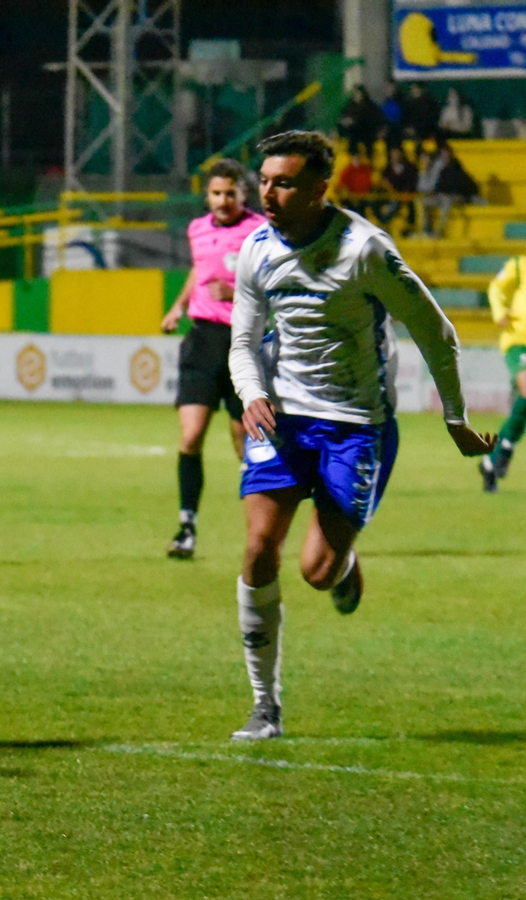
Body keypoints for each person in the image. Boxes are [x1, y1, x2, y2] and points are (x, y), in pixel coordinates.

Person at [225, 130, 492, 741]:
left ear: (321, 188)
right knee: (258, 548)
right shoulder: (255, 249)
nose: (267, 192)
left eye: (284, 182)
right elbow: (243, 340)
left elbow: (435, 330)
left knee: (316, 570)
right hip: (282, 418)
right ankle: (265, 705)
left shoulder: (365, 249)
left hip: (356, 427)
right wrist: (253, 394)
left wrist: (454, 418)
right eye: (264, 180)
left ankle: (342, 568)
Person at [160, 159, 265, 560]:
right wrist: (178, 306)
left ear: (244, 194)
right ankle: (187, 527)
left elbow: (272, 287)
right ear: (207, 195)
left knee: (246, 444)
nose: (223, 201)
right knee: (190, 437)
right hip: (202, 340)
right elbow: (199, 269)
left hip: (243, 344)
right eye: (216, 193)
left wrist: (236, 294)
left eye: (230, 193)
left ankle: (258, 531)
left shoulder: (259, 232)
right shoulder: (197, 229)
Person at [480, 253, 526, 492]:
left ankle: (491, 460)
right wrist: (499, 313)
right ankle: (505, 448)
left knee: (524, 405)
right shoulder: (519, 266)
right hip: (518, 341)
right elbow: (496, 287)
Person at [422, 145, 478, 236]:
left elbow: (461, 184)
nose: (445, 157)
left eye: (446, 154)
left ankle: (440, 231)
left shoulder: (456, 167)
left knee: (446, 201)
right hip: (443, 195)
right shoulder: (441, 170)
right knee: (426, 202)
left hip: (456, 196)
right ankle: (428, 229)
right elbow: (438, 186)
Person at [379, 146, 419, 235]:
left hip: (406, 194)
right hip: (393, 195)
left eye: (397, 154)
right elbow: (384, 183)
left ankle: (410, 228)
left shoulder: (408, 167)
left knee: (411, 205)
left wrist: (405, 193)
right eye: (393, 155)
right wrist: (392, 192)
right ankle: (383, 225)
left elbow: (412, 182)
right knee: (390, 204)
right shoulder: (387, 169)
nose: (395, 157)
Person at [336, 85, 384, 158]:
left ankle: (358, 155)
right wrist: (346, 121)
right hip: (353, 130)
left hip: (366, 131)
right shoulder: (350, 105)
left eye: (357, 94)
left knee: (353, 131)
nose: (356, 96)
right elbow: (343, 115)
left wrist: (353, 121)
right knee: (344, 128)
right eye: (354, 94)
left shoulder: (369, 105)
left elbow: (372, 119)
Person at [403, 83, 441, 148]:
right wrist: (409, 128)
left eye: (415, 88)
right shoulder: (410, 103)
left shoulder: (429, 103)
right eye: (412, 89)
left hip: (426, 131)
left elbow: (429, 120)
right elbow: (406, 119)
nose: (413, 91)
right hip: (414, 131)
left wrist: (416, 130)